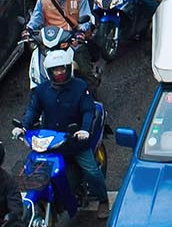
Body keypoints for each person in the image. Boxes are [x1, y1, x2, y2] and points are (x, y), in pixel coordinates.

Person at [17, 49, 107, 213]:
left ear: (68, 68)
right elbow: (32, 111)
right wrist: (23, 127)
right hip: (50, 142)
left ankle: (103, 200)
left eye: (62, 68)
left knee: (91, 171)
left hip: (74, 141)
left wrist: (84, 130)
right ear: (49, 72)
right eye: (55, 70)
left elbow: (88, 111)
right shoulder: (41, 90)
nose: (59, 73)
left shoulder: (80, 87)